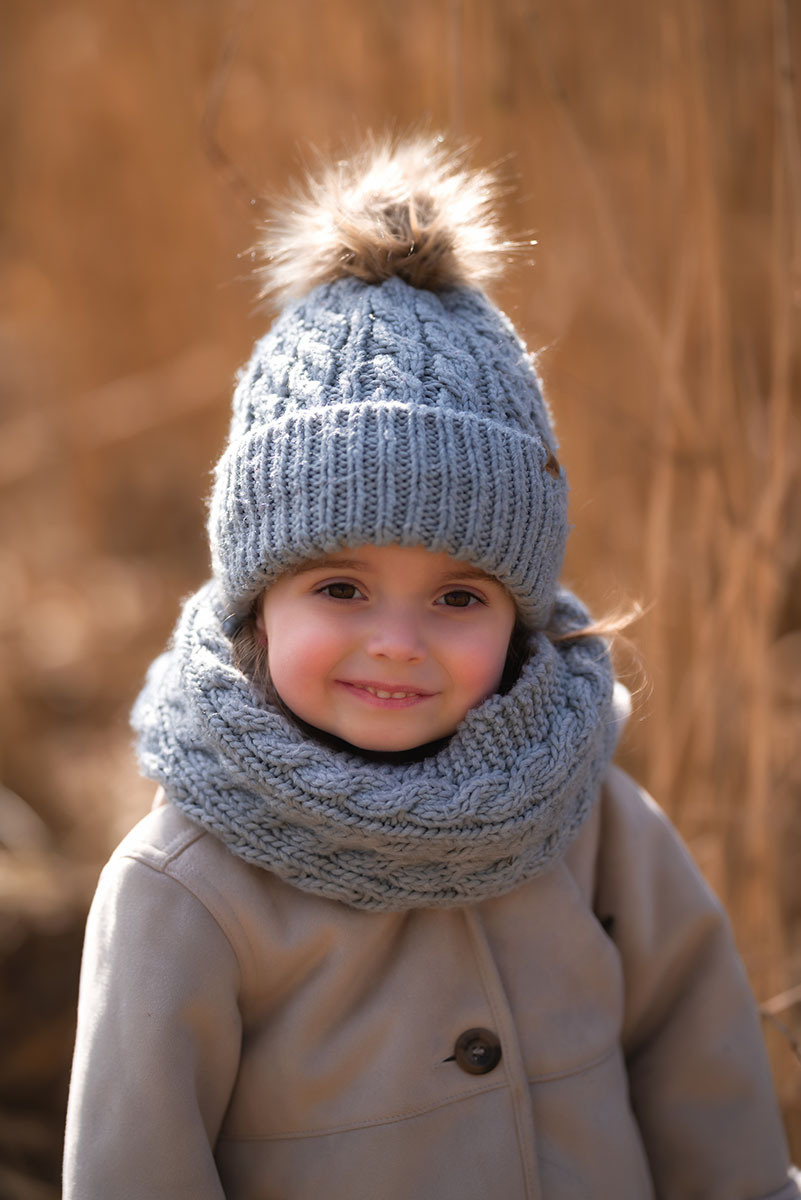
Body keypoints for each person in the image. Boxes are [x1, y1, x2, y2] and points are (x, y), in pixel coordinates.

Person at [63, 137, 799, 1199]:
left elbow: (705, 1081)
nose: (397, 642)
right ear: (255, 602)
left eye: (458, 598)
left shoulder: (590, 821)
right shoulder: (186, 891)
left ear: (522, 616)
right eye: (341, 589)